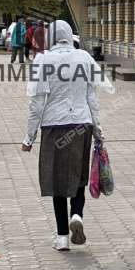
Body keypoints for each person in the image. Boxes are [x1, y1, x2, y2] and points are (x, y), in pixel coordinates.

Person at [21, 20, 108, 252]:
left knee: (56, 180)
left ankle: (61, 238)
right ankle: (77, 214)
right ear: (70, 36)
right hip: (82, 124)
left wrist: (29, 138)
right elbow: (92, 100)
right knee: (78, 176)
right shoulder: (84, 58)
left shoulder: (44, 60)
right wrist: (98, 131)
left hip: (53, 126)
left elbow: (36, 103)